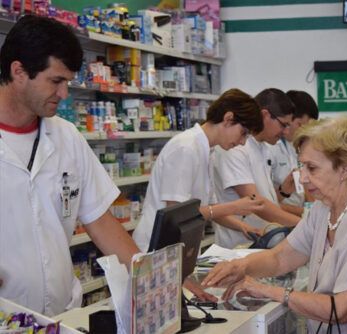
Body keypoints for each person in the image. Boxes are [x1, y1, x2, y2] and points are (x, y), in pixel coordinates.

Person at [203, 116, 347, 333]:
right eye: (302, 166)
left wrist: (268, 291)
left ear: (345, 168)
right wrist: (242, 267)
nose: (303, 178)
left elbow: (343, 310)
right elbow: (280, 257)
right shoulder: (324, 208)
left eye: (312, 168)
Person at [0, 16, 139, 316]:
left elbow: (100, 220)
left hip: (63, 316)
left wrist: (152, 276)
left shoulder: (65, 136)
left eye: (68, 82)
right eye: (56, 81)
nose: (64, 94)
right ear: (18, 71)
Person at [133, 88, 265, 253]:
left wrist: (243, 227)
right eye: (243, 133)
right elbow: (176, 216)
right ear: (228, 119)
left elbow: (210, 208)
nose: (243, 142)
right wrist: (233, 207)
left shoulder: (207, 150)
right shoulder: (186, 147)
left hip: (176, 247)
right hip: (154, 249)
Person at [211, 88, 302, 249]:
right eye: (283, 124)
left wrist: (282, 192)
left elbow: (266, 199)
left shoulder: (263, 147)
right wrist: (304, 225)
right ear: (266, 115)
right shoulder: (234, 148)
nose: (286, 131)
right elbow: (256, 204)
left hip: (265, 242)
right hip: (240, 246)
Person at [268, 90, 319, 215]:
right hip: (277, 220)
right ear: (289, 119)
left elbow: (303, 187)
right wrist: (305, 212)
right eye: (300, 125)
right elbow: (265, 202)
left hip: (296, 218)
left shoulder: (293, 146)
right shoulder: (269, 147)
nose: (304, 131)